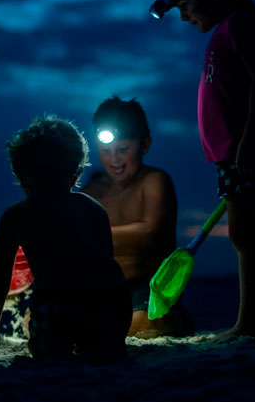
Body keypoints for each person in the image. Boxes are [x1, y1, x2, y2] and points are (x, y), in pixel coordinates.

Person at [152, 0, 255, 337]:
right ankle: (254, 320)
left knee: (250, 235)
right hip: (234, 154)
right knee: (244, 234)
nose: (182, 17)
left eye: (184, 6)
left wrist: (252, 139)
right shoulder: (228, 30)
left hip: (246, 151)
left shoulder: (243, 25)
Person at [0, 116, 131, 364]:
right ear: (76, 172)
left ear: (21, 174)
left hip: (61, 313)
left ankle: (52, 344)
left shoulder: (17, 216)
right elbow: (109, 271)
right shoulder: (94, 209)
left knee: (41, 330)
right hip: (111, 312)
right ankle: (105, 345)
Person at [82, 96, 193, 337]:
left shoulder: (154, 181)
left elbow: (149, 232)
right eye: (106, 151)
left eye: (123, 150)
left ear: (145, 145)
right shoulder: (90, 192)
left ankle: (175, 318)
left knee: (141, 324)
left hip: (145, 287)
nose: (115, 160)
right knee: (42, 319)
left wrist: (87, 235)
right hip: (100, 289)